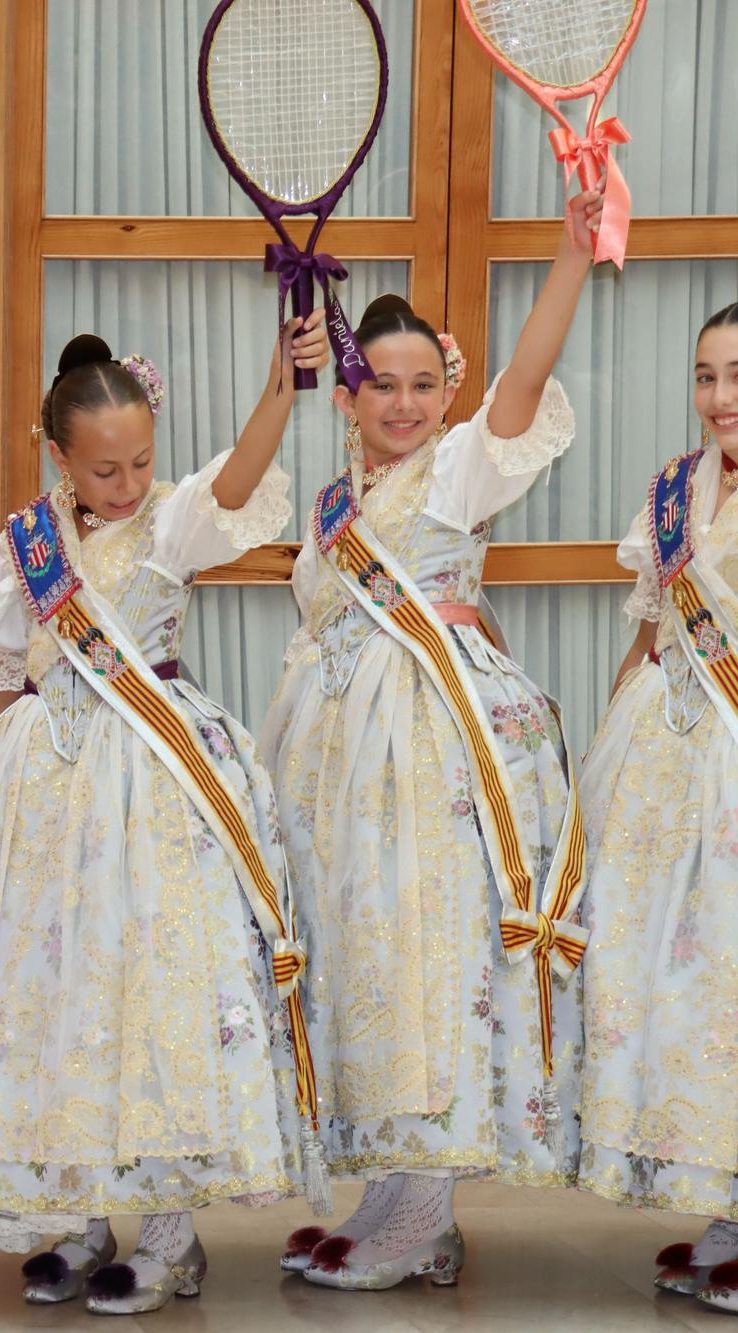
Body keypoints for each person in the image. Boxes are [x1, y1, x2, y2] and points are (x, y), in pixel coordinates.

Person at [0, 318, 331, 1316]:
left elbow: (235, 478)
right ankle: (81, 1215)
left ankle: (171, 1238)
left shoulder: (173, 521)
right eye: (103, 469)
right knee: (53, 997)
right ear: (57, 456)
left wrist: (282, 381)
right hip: (40, 791)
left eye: (139, 460)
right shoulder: (23, 545)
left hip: (152, 790)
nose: (126, 482)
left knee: (153, 996)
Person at [260, 191, 604, 1291]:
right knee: (361, 954)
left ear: (445, 390)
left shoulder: (459, 469)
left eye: (422, 385)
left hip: (434, 747)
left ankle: (426, 1208)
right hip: (335, 753)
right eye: (380, 385)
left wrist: (564, 252)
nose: (401, 404)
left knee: (426, 951)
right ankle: (392, 1193)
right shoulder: (329, 504)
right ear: (349, 395)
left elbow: (523, 380)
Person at [575, 300, 738, 1317]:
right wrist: (604, 755)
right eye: (705, 376)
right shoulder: (675, 493)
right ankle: (723, 1204)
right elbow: (646, 635)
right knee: (690, 992)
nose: (720, 397)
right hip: (665, 766)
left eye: (737, 375)